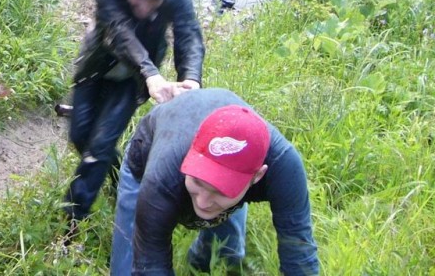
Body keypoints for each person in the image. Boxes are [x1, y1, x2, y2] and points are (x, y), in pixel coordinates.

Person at [64, 0, 204, 229]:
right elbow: (118, 31)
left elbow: (188, 35)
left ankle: (71, 222)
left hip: (131, 82)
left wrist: (191, 79)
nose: (147, 6)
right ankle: (123, 174)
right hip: (96, 67)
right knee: (80, 137)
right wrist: (151, 73)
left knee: (100, 145)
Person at [111, 88, 319, 276]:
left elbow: (299, 254)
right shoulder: (162, 175)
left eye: (221, 190)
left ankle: (200, 259)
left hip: (215, 172)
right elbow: (151, 265)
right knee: (128, 270)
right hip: (150, 155)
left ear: (257, 176)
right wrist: (218, 192)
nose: (203, 201)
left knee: (226, 258)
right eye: (199, 182)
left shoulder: (283, 167)